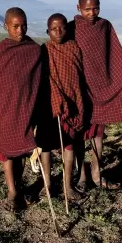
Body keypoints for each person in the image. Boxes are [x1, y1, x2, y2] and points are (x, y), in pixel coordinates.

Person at [68, 0, 122, 192]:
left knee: (98, 135)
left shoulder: (105, 26)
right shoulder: (72, 28)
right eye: (87, 9)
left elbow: (115, 55)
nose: (92, 13)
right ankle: (82, 176)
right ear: (78, 8)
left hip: (101, 91)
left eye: (96, 8)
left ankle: (97, 174)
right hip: (80, 92)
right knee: (80, 136)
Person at [0, 7, 42, 211]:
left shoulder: (33, 49)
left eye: (23, 25)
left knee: (23, 150)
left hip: (26, 109)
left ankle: (21, 186)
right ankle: (12, 193)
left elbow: (38, 79)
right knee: (8, 152)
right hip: (4, 111)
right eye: (15, 26)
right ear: (6, 26)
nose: (20, 30)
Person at [36, 13, 85, 201]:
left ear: (67, 28)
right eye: (53, 29)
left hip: (73, 106)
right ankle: (47, 184)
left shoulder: (74, 48)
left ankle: (68, 186)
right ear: (47, 31)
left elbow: (78, 78)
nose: (58, 32)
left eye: (62, 27)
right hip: (49, 107)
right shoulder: (44, 50)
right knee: (46, 147)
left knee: (69, 146)